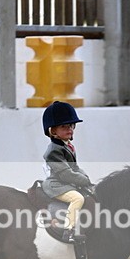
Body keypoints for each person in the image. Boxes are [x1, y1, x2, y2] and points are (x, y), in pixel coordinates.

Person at [41, 101, 94, 244]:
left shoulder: (67, 146)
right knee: (78, 199)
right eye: (64, 126)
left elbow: (75, 168)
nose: (70, 129)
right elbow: (66, 174)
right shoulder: (53, 151)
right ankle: (68, 230)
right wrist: (84, 181)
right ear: (53, 131)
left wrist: (85, 178)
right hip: (56, 185)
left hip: (65, 182)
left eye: (71, 126)